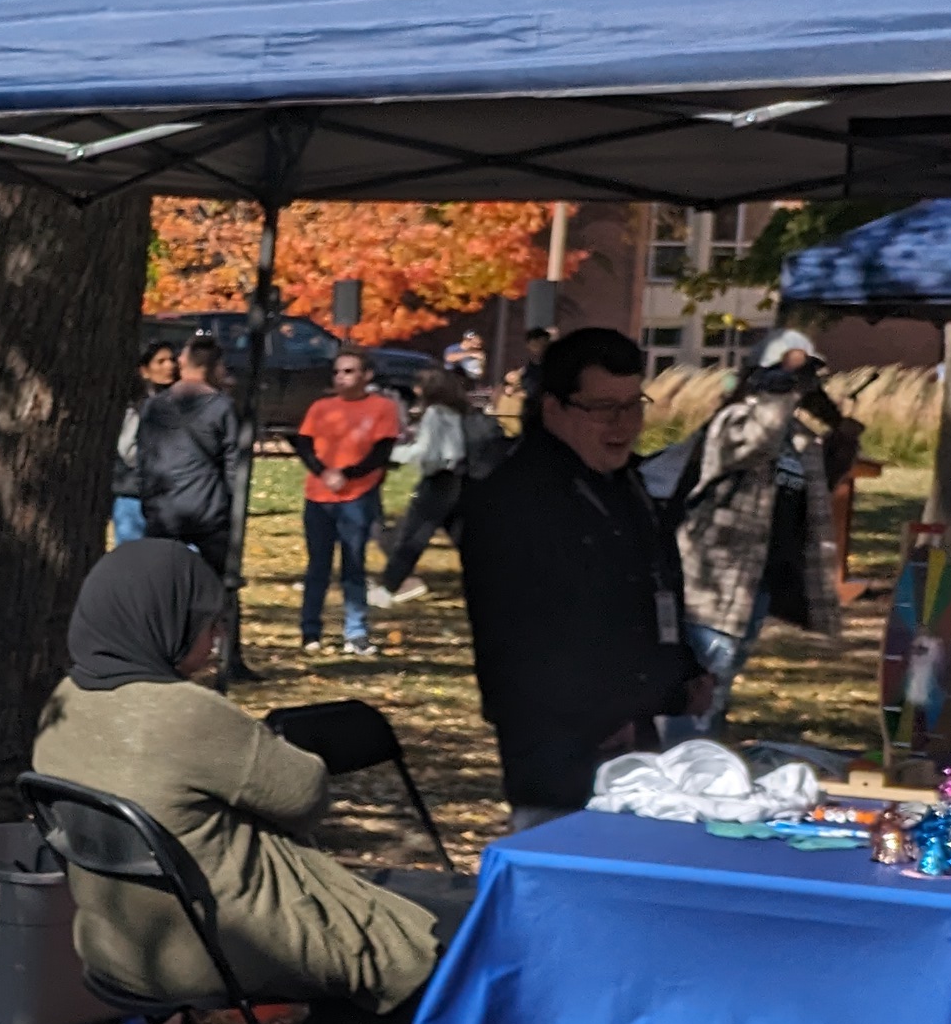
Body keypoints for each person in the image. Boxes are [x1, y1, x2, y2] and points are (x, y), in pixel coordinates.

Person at [31, 541, 455, 1024]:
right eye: (209, 626)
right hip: (214, 947)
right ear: (167, 623)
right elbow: (304, 795)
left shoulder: (66, 701)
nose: (216, 641)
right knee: (400, 950)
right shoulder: (184, 712)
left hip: (115, 946)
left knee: (353, 934)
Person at [456, 325, 703, 825]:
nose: (623, 423)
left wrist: (682, 672)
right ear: (554, 408)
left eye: (634, 404)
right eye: (603, 409)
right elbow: (523, 638)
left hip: (629, 727)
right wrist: (600, 713)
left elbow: (650, 589)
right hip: (558, 744)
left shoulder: (623, 482)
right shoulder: (515, 496)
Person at [665, 328, 842, 730]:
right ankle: (687, 767)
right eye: (789, 378)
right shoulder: (733, 424)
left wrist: (840, 434)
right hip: (715, 582)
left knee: (720, 687)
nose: (799, 387)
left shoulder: (800, 440)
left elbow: (810, 499)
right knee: (701, 688)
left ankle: (704, 762)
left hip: (757, 586)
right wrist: (783, 375)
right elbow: (762, 433)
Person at [293, 354, 402, 657]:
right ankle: (310, 631)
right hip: (319, 497)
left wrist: (348, 474)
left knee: (353, 564)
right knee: (318, 566)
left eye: (349, 371)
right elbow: (303, 443)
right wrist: (322, 471)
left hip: (357, 496)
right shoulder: (321, 408)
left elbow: (381, 451)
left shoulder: (382, 408)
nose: (341, 377)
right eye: (337, 372)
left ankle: (355, 633)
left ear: (366, 375)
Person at [133, 335, 251, 596]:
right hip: (208, 510)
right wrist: (231, 505)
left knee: (161, 583)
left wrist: (147, 499)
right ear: (214, 367)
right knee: (217, 583)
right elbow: (233, 462)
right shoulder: (222, 407)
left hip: (163, 508)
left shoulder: (155, 406)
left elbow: (143, 455)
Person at [374, 367, 504, 604]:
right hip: (465, 481)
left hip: (439, 482)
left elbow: (429, 453)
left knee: (412, 537)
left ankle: (388, 590)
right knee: (466, 538)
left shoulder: (436, 413)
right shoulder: (462, 411)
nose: (415, 390)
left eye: (419, 385)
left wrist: (391, 455)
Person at [112, 340, 179, 543]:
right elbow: (128, 450)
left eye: (172, 359)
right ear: (144, 370)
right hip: (134, 495)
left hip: (168, 495)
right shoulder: (135, 406)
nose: (170, 366)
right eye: (160, 361)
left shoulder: (177, 403)